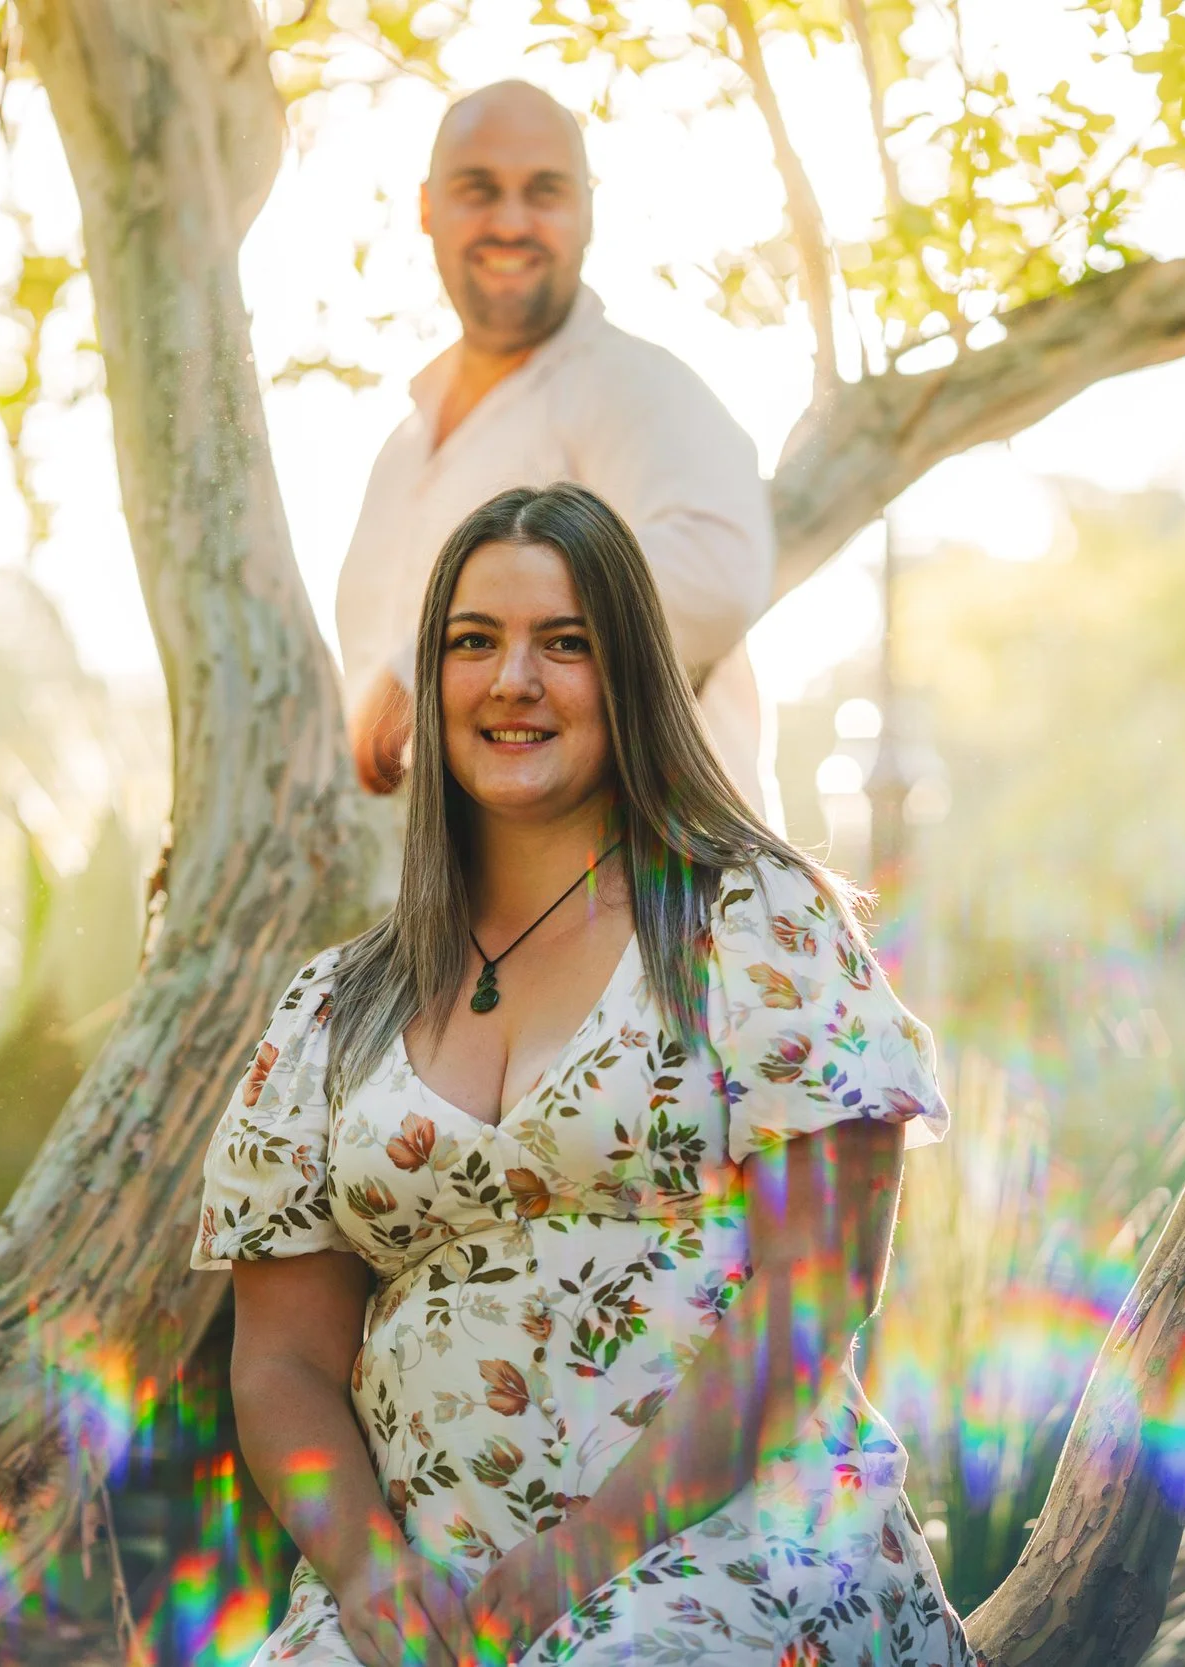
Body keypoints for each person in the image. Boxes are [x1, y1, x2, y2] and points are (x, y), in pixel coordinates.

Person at [194, 483, 970, 1667]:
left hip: (732, 1550)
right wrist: (365, 1567)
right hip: (425, 1599)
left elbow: (815, 1290)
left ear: (632, 680)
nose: (514, 680)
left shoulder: (752, 921)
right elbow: (283, 1356)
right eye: (473, 643)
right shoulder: (331, 1010)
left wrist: (577, 1557)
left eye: (567, 642)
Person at [335, 80, 777, 813]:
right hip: (459, 908)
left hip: (648, 902)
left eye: (544, 191)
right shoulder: (400, 447)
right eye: (478, 189)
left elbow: (718, 570)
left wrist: (424, 669)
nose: (511, 221)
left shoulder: (637, 387)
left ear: (587, 212)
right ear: (426, 209)